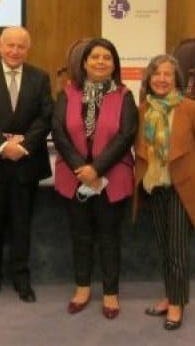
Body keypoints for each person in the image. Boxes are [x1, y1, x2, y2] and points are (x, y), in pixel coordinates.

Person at [0, 25, 53, 304]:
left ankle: (21, 278)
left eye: (21, 46)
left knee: (21, 225)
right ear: (0, 47)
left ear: (28, 49)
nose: (15, 51)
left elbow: (45, 117)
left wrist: (23, 146)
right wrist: (3, 146)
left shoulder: (40, 77)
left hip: (27, 161)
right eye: (10, 45)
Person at [52, 38, 137, 318]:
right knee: (81, 236)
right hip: (74, 175)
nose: (100, 62)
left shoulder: (124, 95)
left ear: (114, 65)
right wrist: (81, 168)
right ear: (84, 63)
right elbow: (59, 132)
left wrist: (97, 169)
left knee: (110, 237)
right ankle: (82, 288)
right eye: (95, 57)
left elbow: (126, 135)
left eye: (107, 57)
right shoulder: (67, 93)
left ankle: (110, 293)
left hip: (112, 176)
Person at [132, 54, 195, 331]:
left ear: (176, 79)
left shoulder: (190, 108)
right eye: (157, 74)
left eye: (167, 74)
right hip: (153, 187)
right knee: (164, 248)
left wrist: (189, 172)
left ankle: (177, 305)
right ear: (149, 79)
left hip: (181, 188)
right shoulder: (143, 109)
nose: (162, 79)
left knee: (177, 251)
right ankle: (170, 295)